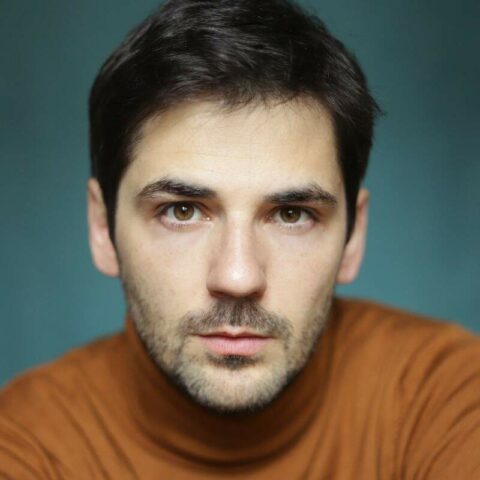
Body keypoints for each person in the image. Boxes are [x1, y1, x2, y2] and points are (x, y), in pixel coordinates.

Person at [1, 0, 479, 478]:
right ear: (102, 227)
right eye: (182, 211)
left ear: (353, 237)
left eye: (292, 214)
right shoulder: (24, 439)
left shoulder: (446, 396)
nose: (238, 277)